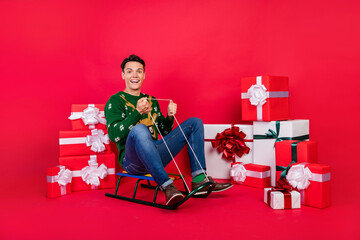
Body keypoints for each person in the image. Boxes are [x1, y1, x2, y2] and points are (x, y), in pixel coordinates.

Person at [105, 54, 232, 206]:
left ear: (144, 75)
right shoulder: (115, 100)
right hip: (132, 162)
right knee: (140, 129)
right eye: (130, 71)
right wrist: (137, 113)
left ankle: (199, 180)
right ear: (123, 75)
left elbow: (165, 133)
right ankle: (167, 186)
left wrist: (170, 116)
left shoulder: (151, 100)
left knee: (195, 122)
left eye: (139, 71)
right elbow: (114, 136)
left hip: (156, 156)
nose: (134, 75)